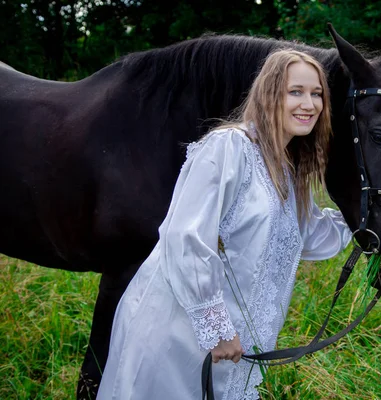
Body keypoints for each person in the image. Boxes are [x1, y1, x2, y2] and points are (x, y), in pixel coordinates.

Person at [96, 49, 352, 400]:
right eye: (296, 91)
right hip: (179, 334)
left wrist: (365, 219)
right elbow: (185, 236)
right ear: (270, 93)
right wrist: (216, 328)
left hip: (234, 344)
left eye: (317, 93)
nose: (309, 103)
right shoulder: (229, 147)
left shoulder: (287, 171)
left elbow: (304, 236)